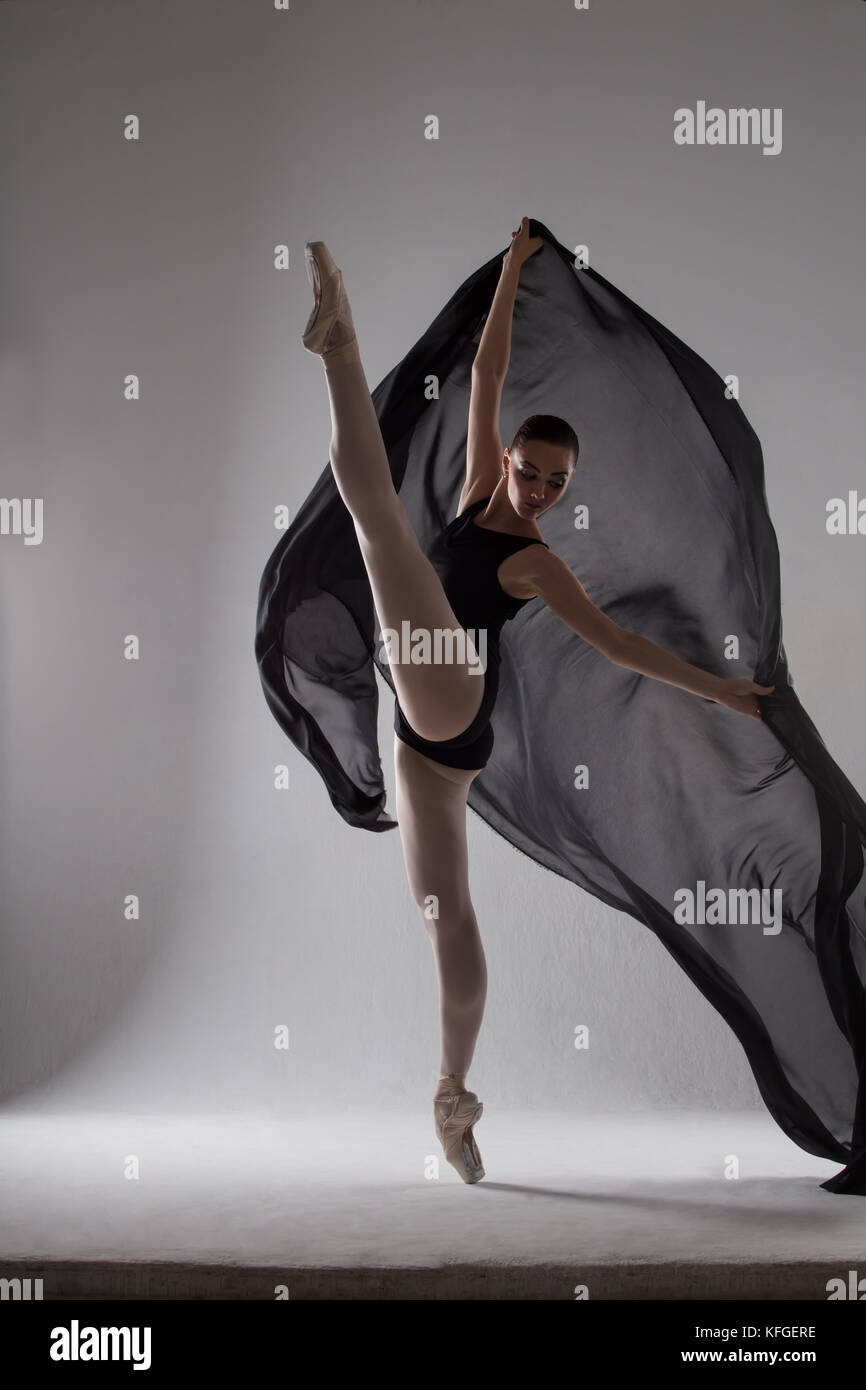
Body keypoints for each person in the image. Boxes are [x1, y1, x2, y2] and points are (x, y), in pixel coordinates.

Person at [301, 217, 774, 1183]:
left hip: (449, 695)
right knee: (448, 918)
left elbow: (621, 643)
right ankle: (454, 1096)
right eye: (534, 472)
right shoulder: (482, 490)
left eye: (560, 483)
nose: (545, 491)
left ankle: (337, 342)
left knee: (379, 522)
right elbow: (486, 370)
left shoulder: (537, 563)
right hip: (428, 744)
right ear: (508, 459)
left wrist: (719, 687)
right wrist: (514, 270)